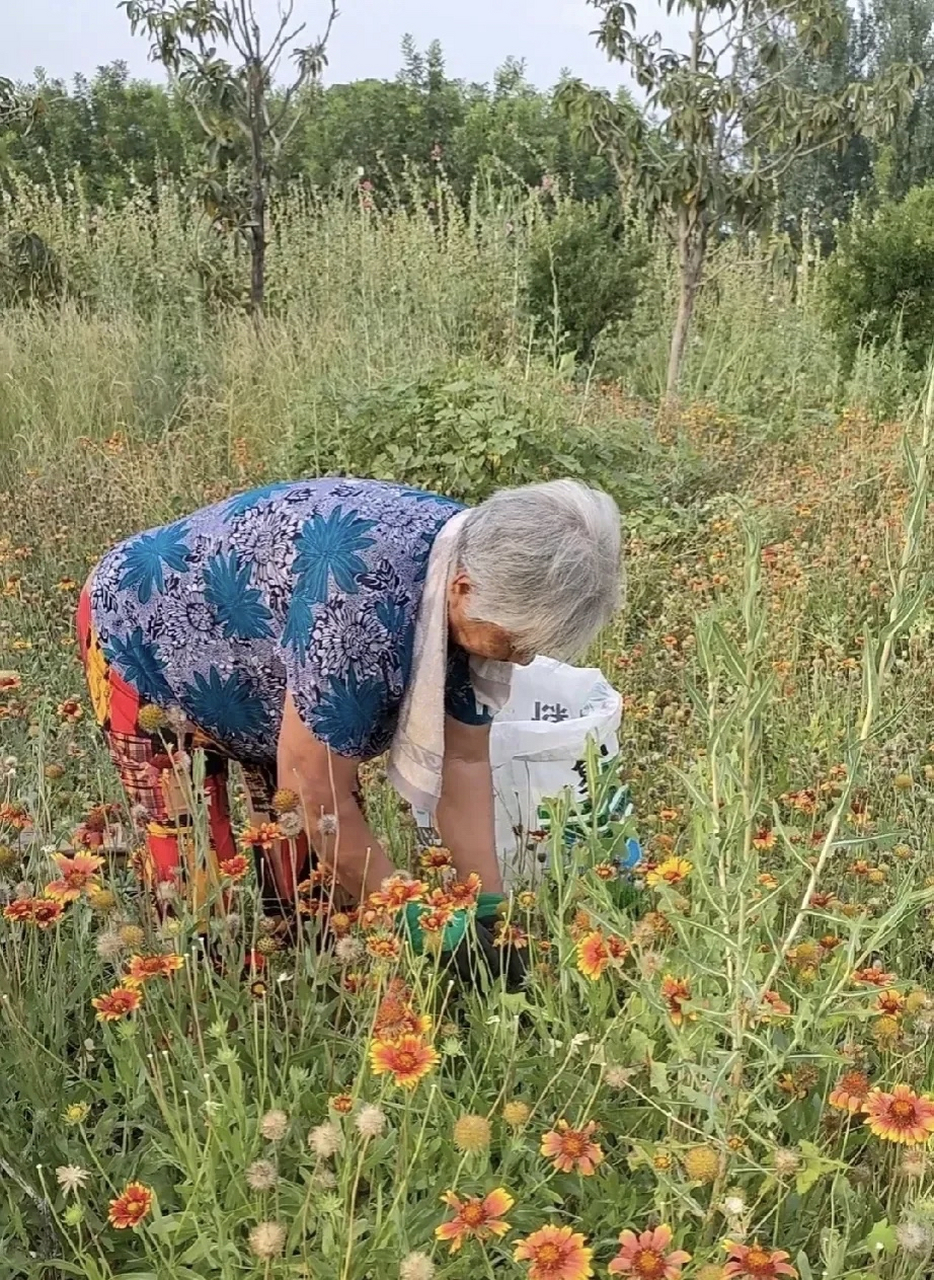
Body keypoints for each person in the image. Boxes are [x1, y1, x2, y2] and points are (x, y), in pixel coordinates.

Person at [77, 476, 623, 950]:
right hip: (147, 644)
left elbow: (465, 764)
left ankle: (294, 994)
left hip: (265, 667)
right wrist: (413, 916)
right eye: (513, 644)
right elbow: (318, 792)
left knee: (313, 900)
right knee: (195, 872)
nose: (522, 659)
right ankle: (206, 1010)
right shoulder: (358, 614)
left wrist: (488, 909)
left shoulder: (474, 562)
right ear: (463, 591)